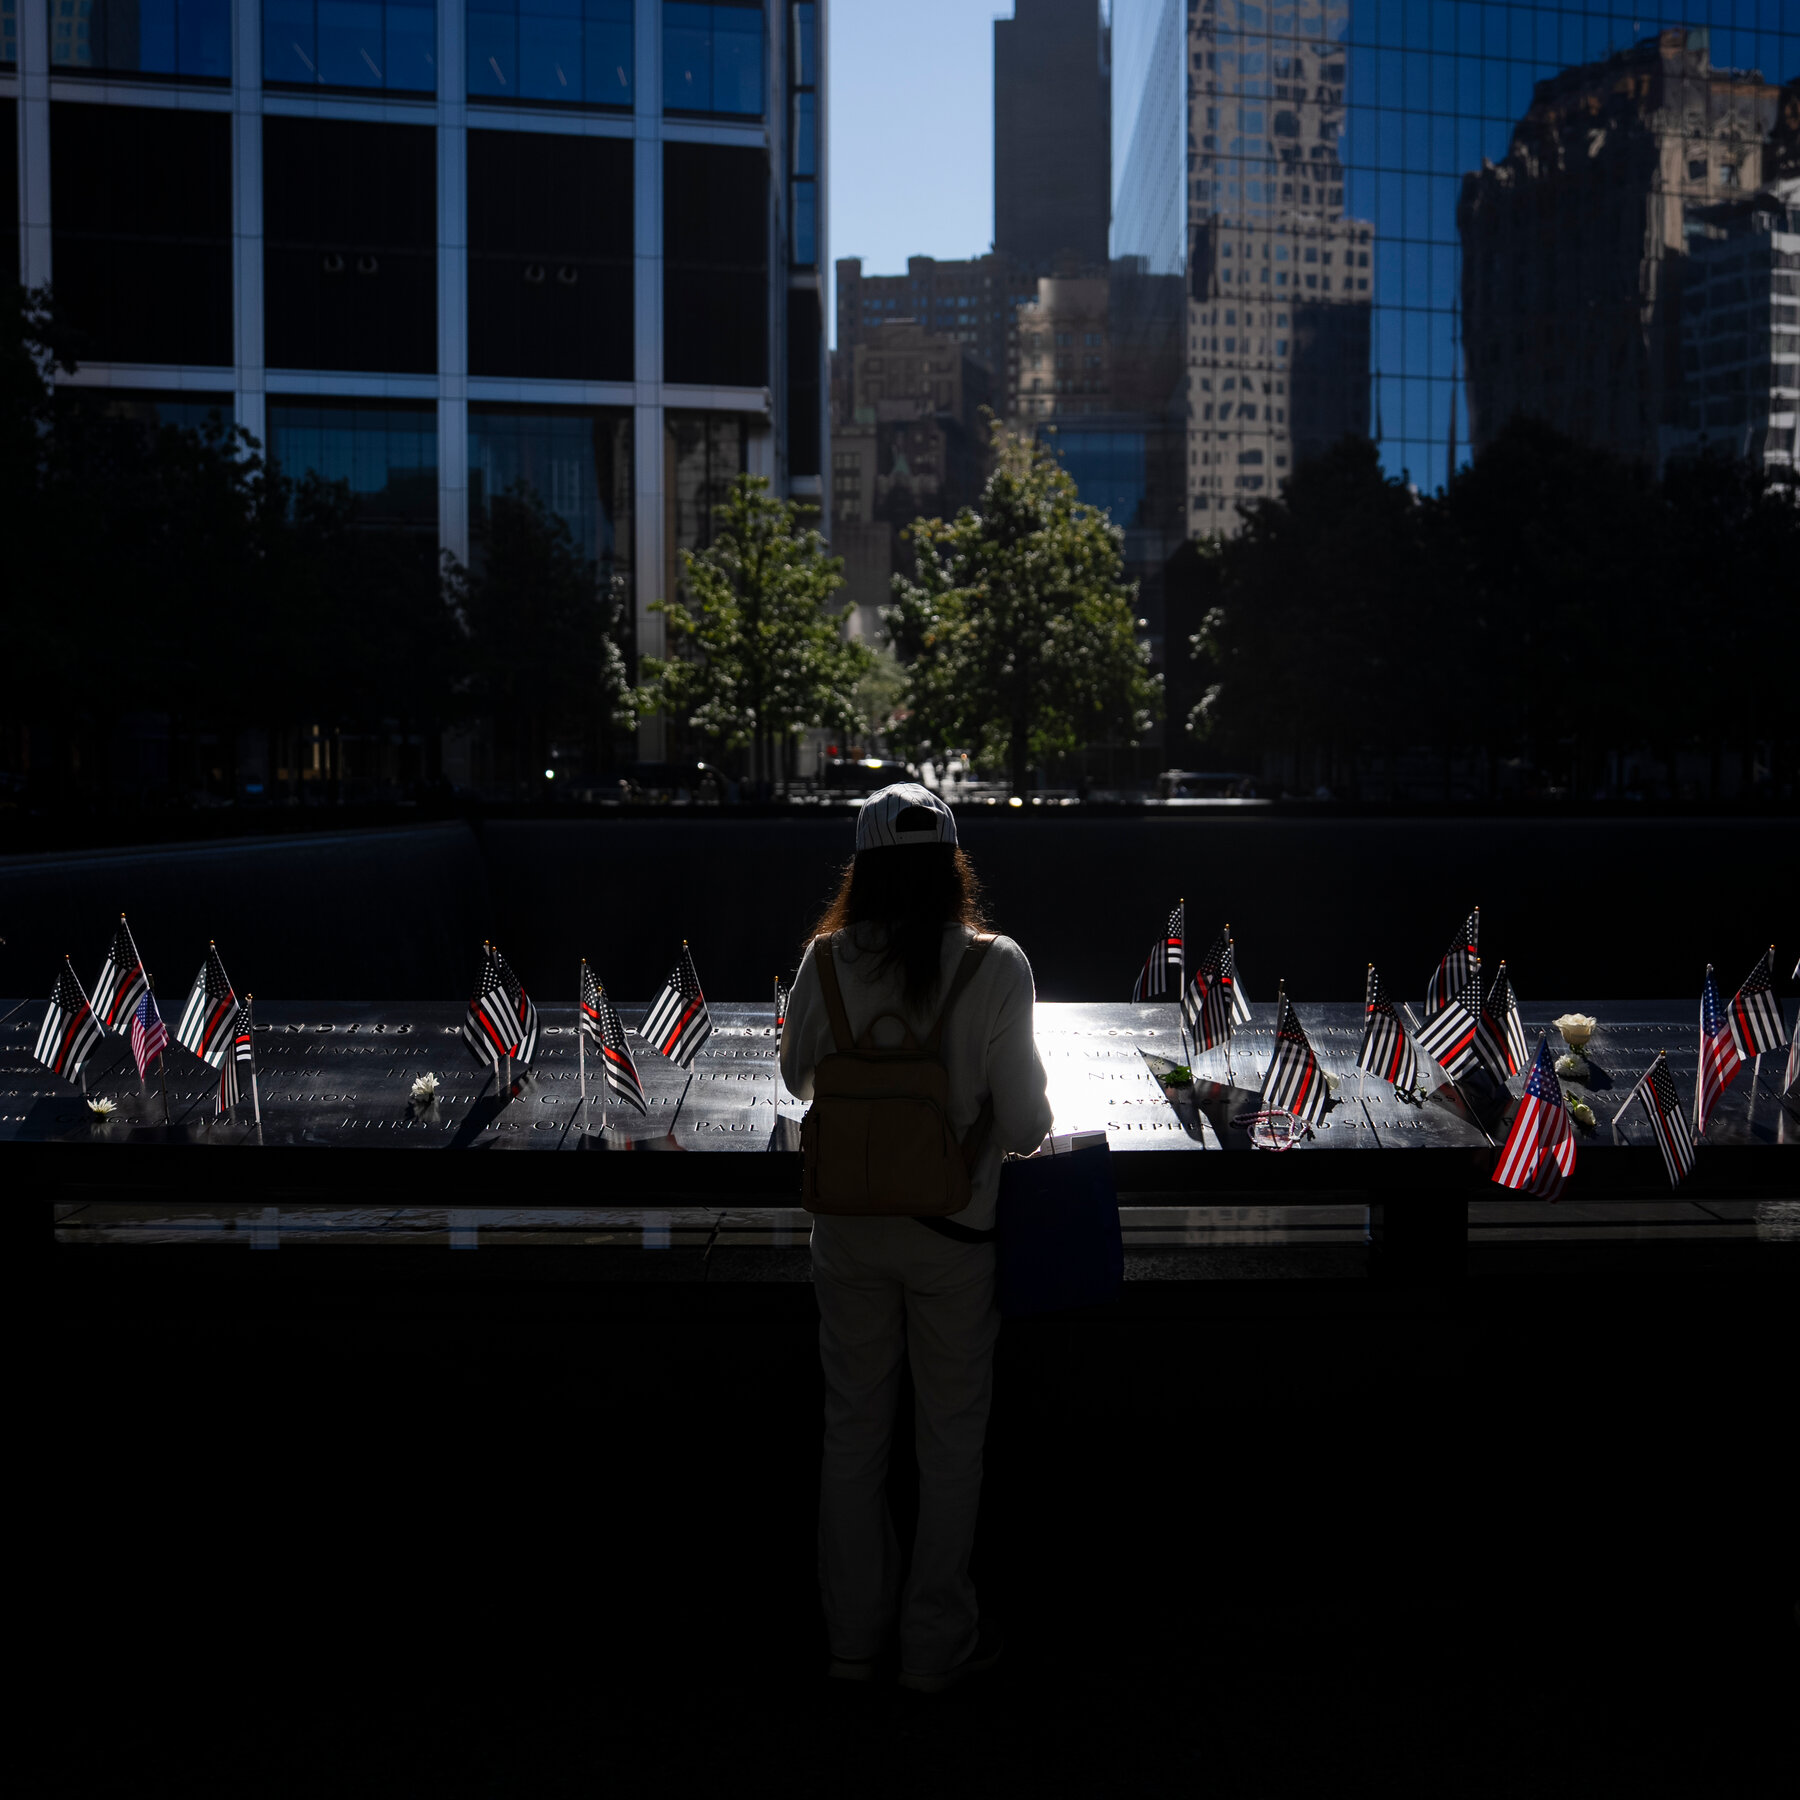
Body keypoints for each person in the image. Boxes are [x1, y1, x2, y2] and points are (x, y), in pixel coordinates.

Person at [779, 783, 1053, 1694]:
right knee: (950, 1440)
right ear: (952, 867)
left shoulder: (824, 961)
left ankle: (851, 1642)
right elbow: (1024, 1125)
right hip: (954, 1235)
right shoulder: (997, 965)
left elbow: (797, 1078)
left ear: (860, 871)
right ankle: (935, 1643)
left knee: (852, 1432)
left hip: (847, 1232)